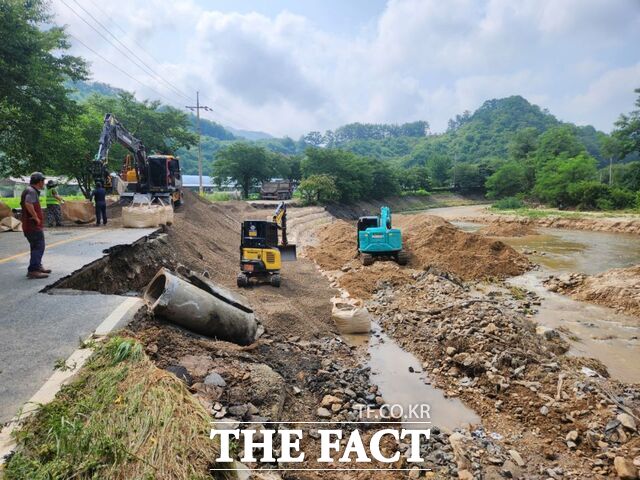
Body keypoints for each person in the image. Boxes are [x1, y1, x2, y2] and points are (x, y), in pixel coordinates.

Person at [20, 172, 51, 279]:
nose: (44, 184)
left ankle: (37, 266)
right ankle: (33, 270)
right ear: (39, 182)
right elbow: (28, 203)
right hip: (32, 226)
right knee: (39, 246)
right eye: (43, 181)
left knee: (35, 247)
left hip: (29, 226)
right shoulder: (31, 191)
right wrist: (36, 217)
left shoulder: (30, 190)